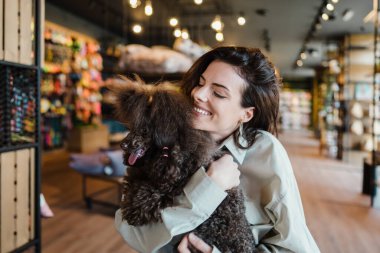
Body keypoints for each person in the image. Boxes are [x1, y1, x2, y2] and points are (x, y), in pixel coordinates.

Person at [115, 46, 320, 253]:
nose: (198, 94)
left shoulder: (264, 152)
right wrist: (208, 188)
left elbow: (296, 248)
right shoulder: (163, 138)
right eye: (201, 83)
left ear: (247, 114)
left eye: (219, 93)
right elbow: (131, 231)